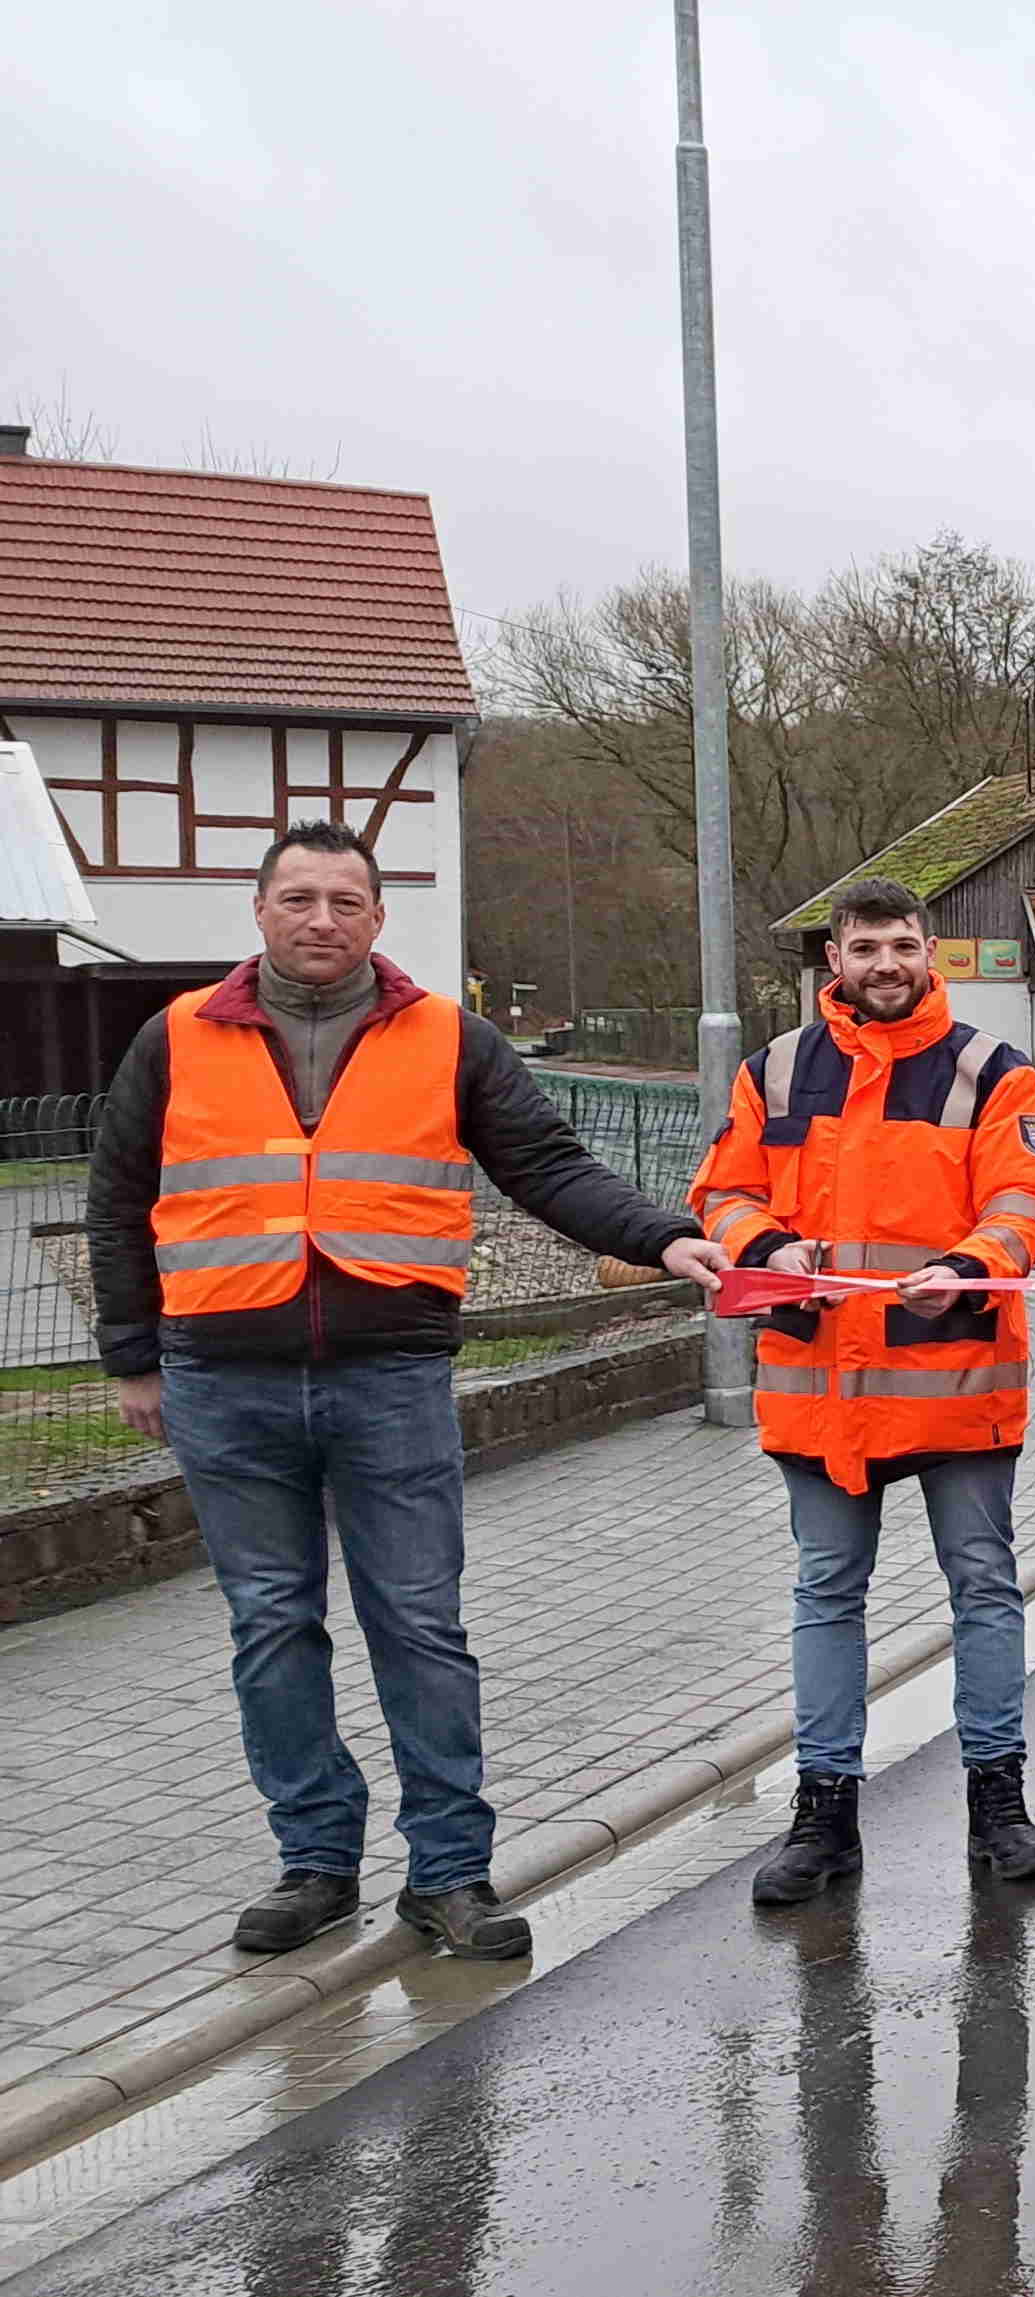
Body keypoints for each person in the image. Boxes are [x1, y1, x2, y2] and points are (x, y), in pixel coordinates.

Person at [87, 821, 728, 1961]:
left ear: (378, 919)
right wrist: (133, 1353)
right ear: (261, 911)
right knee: (272, 1625)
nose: (321, 917)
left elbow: (548, 1163)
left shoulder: (449, 1036)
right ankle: (316, 1862)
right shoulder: (175, 1035)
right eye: (298, 898)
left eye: (344, 899)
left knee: (420, 1626)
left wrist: (664, 1236)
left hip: (389, 1371)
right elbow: (119, 1193)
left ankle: (448, 1874)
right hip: (222, 1378)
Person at [692, 876, 1035, 1908]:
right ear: (834, 962)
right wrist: (765, 1244)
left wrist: (974, 1258)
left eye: (902, 944)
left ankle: (998, 1801)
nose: (885, 963)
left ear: (929, 951)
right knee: (825, 1597)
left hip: (954, 1380)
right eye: (865, 948)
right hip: (820, 1383)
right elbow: (721, 1191)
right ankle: (824, 1813)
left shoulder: (997, 1071)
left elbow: (1030, 1196)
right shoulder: (771, 1071)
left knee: (983, 1588)